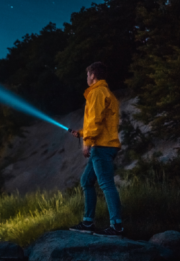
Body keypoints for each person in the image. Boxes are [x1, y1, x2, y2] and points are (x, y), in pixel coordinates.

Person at [69, 62, 124, 237]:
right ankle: (88, 222)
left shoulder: (97, 92)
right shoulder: (108, 94)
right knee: (86, 180)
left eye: (87, 75)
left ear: (93, 75)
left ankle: (116, 227)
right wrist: (82, 133)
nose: (87, 78)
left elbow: (95, 120)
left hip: (101, 147)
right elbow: (102, 122)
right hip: (105, 144)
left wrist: (87, 141)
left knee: (106, 184)